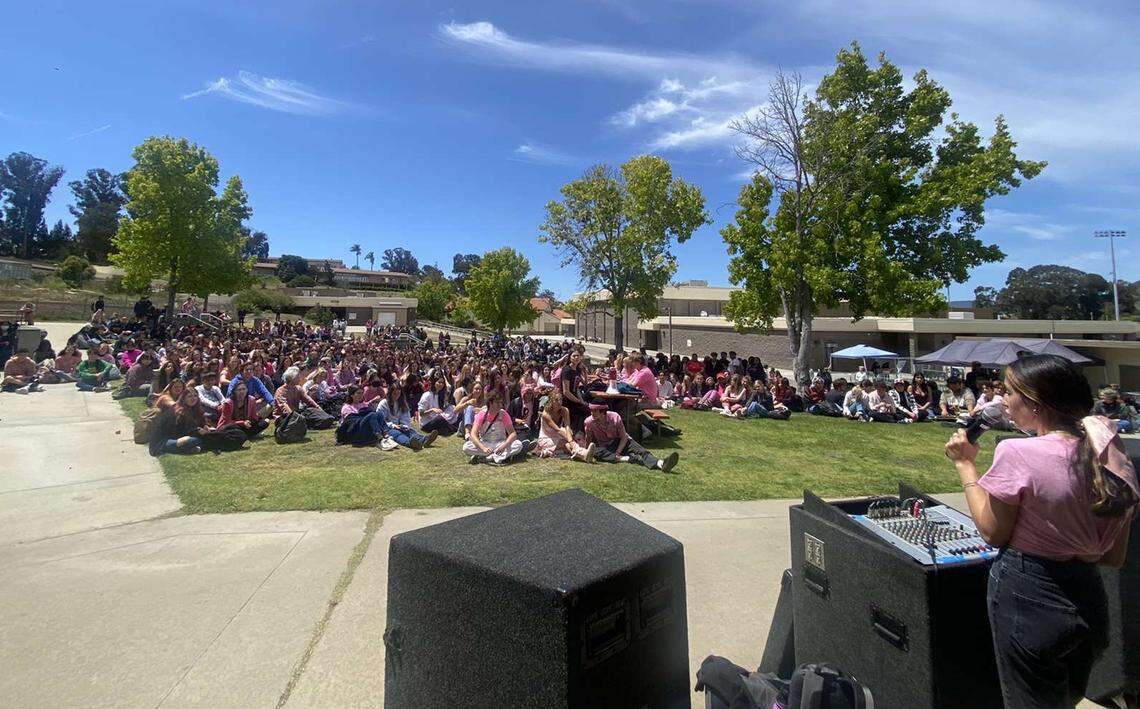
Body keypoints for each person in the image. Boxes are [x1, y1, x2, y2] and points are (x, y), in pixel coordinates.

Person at [944, 354, 1137, 708]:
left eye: (1010, 392)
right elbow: (1113, 556)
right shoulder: (1110, 452)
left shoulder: (1016, 452)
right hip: (1090, 601)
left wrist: (964, 464)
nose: (1004, 401)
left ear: (1034, 402)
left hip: (1029, 597)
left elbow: (991, 532)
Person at [584, 402, 679, 472]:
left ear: (602, 412)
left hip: (621, 441)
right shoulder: (589, 422)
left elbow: (624, 436)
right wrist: (586, 450)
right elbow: (588, 438)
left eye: (595, 410)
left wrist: (618, 452)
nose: (592, 413)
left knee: (641, 451)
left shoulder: (615, 417)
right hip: (606, 446)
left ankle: (661, 464)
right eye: (591, 410)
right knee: (596, 451)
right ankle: (624, 458)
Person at [463, 390, 534, 465]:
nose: (500, 405)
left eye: (501, 403)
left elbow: (513, 433)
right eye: (498, 403)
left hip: (500, 443)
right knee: (466, 447)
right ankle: (499, 457)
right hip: (485, 443)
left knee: (518, 444)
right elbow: (473, 434)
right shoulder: (481, 415)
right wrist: (483, 448)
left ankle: (486, 457)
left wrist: (504, 445)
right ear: (490, 403)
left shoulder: (503, 414)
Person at [535, 391, 595, 462]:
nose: (559, 402)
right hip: (547, 438)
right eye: (556, 400)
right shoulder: (546, 414)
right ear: (551, 401)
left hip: (558, 436)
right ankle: (583, 453)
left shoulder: (565, 410)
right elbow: (558, 430)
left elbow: (567, 427)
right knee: (566, 442)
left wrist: (570, 440)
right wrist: (571, 441)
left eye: (560, 399)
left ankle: (583, 455)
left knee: (570, 442)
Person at [376, 382, 436, 450]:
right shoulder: (383, 403)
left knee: (410, 432)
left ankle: (424, 440)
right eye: (394, 394)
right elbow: (380, 419)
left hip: (400, 425)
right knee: (397, 434)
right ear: (390, 393)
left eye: (398, 393)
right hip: (388, 428)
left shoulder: (402, 403)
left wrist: (404, 425)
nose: (396, 396)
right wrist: (392, 425)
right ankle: (410, 443)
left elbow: (406, 417)